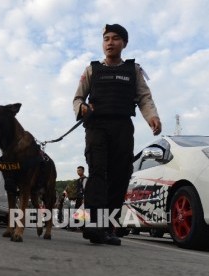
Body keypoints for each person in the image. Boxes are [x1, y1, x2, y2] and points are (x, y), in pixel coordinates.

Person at [72, 24, 161, 246]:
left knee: (120, 177)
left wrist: (152, 117)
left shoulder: (134, 71)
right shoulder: (92, 69)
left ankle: (108, 228)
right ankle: (94, 227)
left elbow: (144, 97)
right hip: (96, 127)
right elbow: (77, 98)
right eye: (106, 39)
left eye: (115, 38)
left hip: (122, 127)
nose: (110, 42)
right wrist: (82, 108)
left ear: (125, 43)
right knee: (98, 174)